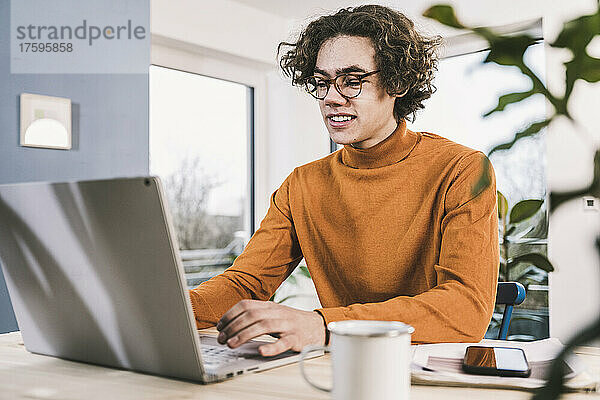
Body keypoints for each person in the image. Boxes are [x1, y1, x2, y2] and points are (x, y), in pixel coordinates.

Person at [188, 5, 499, 357]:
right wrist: (170, 307)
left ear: (396, 82)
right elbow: (246, 282)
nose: (332, 98)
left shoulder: (463, 169)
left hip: (425, 369)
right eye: (322, 83)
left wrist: (323, 325)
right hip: (338, 364)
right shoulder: (302, 184)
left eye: (352, 81)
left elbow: (466, 309)